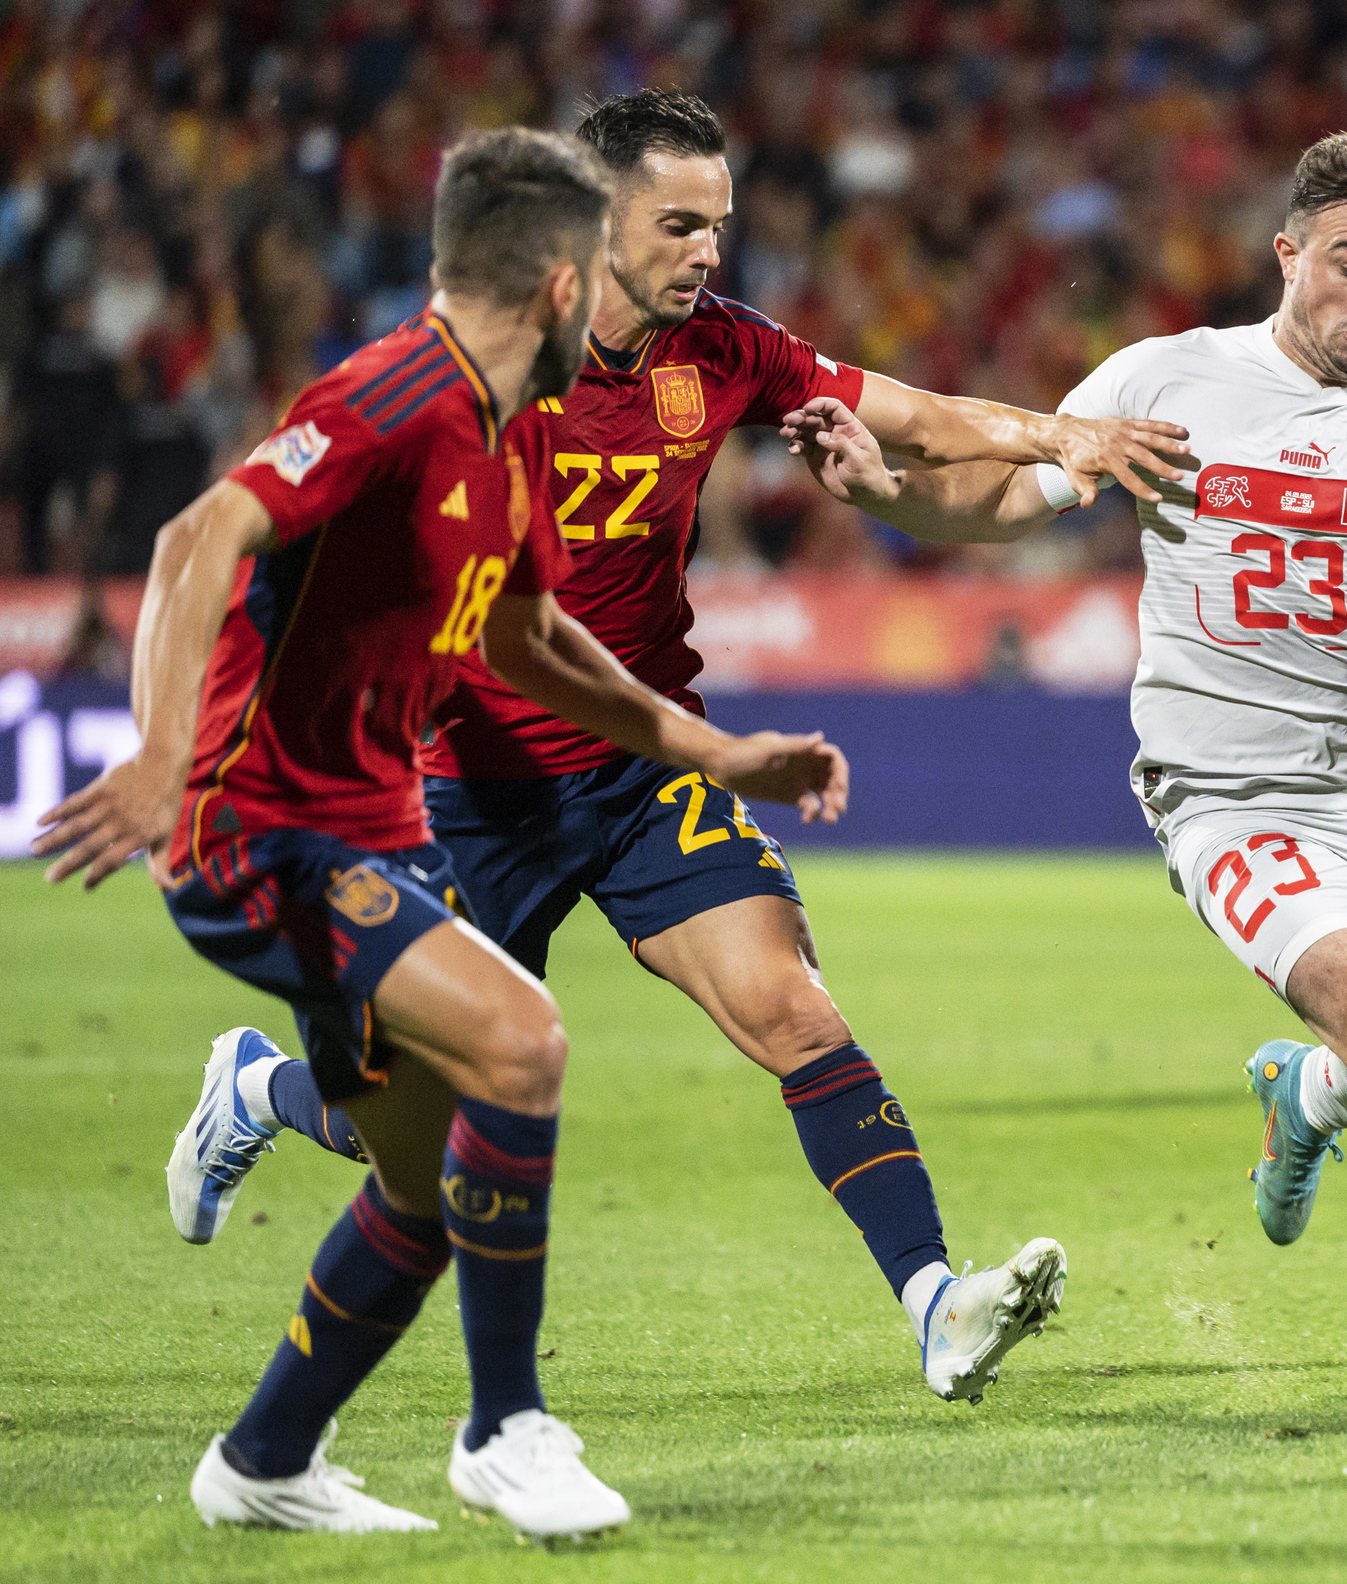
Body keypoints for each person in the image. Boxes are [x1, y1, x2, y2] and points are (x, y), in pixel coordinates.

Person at [164, 90, 1184, 1407]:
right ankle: (259, 1091)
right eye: (680, 224)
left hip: (642, 766)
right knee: (406, 1129)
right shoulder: (470, 371)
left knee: (792, 1009)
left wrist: (1064, 436)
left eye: (721, 222)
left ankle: (937, 1303)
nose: (710, 250)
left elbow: (911, 413)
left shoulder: (727, 351)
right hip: (467, 791)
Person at [36, 128, 849, 1538]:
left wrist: (720, 751)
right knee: (524, 1045)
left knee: (421, 1187)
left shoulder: (494, 429)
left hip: (377, 836)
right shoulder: (396, 398)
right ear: (555, 279)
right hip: (265, 837)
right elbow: (195, 541)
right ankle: (506, 1427)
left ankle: (263, 1462)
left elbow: (535, 641)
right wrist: (164, 756)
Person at [782, 132, 1347, 1380]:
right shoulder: (1167, 383)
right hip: (1224, 793)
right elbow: (997, 499)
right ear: (1288, 252)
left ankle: (1303, 1099)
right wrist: (877, 493)